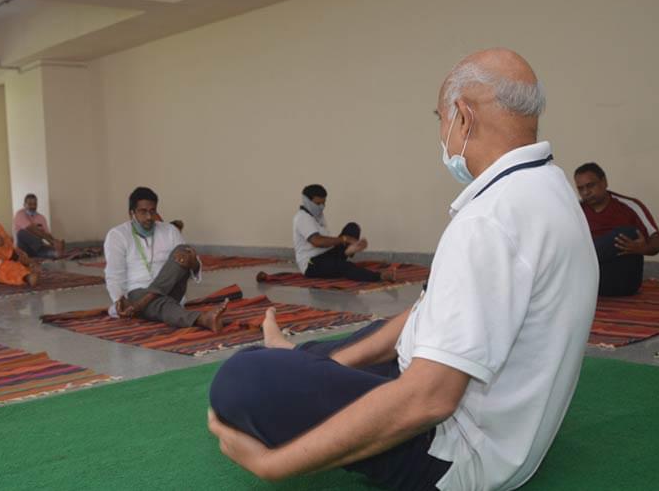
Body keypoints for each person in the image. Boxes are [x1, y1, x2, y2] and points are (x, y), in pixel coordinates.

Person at [208, 48, 599, 491]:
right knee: (369, 335)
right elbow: (422, 317)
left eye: (440, 118)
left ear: (463, 118)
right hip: (509, 436)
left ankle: (289, 363)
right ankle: (298, 359)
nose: (441, 133)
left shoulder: (490, 222)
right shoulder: (551, 190)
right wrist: (322, 365)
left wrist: (274, 465)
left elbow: (430, 400)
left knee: (242, 378)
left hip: (452, 454)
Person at [104, 187, 226, 332]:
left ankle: (144, 304)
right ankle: (201, 318)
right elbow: (114, 274)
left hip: (171, 290)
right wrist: (119, 300)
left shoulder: (169, 231)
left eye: (153, 211)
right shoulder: (117, 235)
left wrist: (192, 262)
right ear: (132, 213)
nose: (149, 217)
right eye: (143, 211)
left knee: (182, 251)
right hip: (137, 292)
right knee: (160, 305)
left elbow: (195, 266)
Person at [574, 162, 659, 296]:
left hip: (623, 278)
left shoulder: (630, 206)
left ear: (604, 182)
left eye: (590, 185)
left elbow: (657, 243)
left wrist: (642, 249)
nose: (586, 192)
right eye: (580, 189)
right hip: (592, 279)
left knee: (628, 233)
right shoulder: (575, 211)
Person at [286, 184, 394, 282]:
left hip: (327, 255)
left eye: (324, 203)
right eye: (318, 203)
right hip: (312, 264)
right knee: (345, 266)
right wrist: (344, 239)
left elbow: (327, 242)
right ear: (307, 202)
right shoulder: (302, 218)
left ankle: (347, 252)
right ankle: (379, 276)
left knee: (352, 227)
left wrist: (348, 245)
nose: (322, 207)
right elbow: (317, 241)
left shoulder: (318, 216)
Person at [13, 193, 66, 259]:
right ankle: (48, 249)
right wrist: (52, 242)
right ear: (24, 205)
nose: (32, 206)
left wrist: (55, 242)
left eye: (35, 204)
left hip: (37, 248)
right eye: (30, 204)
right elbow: (31, 228)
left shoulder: (41, 218)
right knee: (21, 233)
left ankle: (56, 253)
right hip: (23, 249)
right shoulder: (20, 214)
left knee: (53, 252)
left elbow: (47, 234)